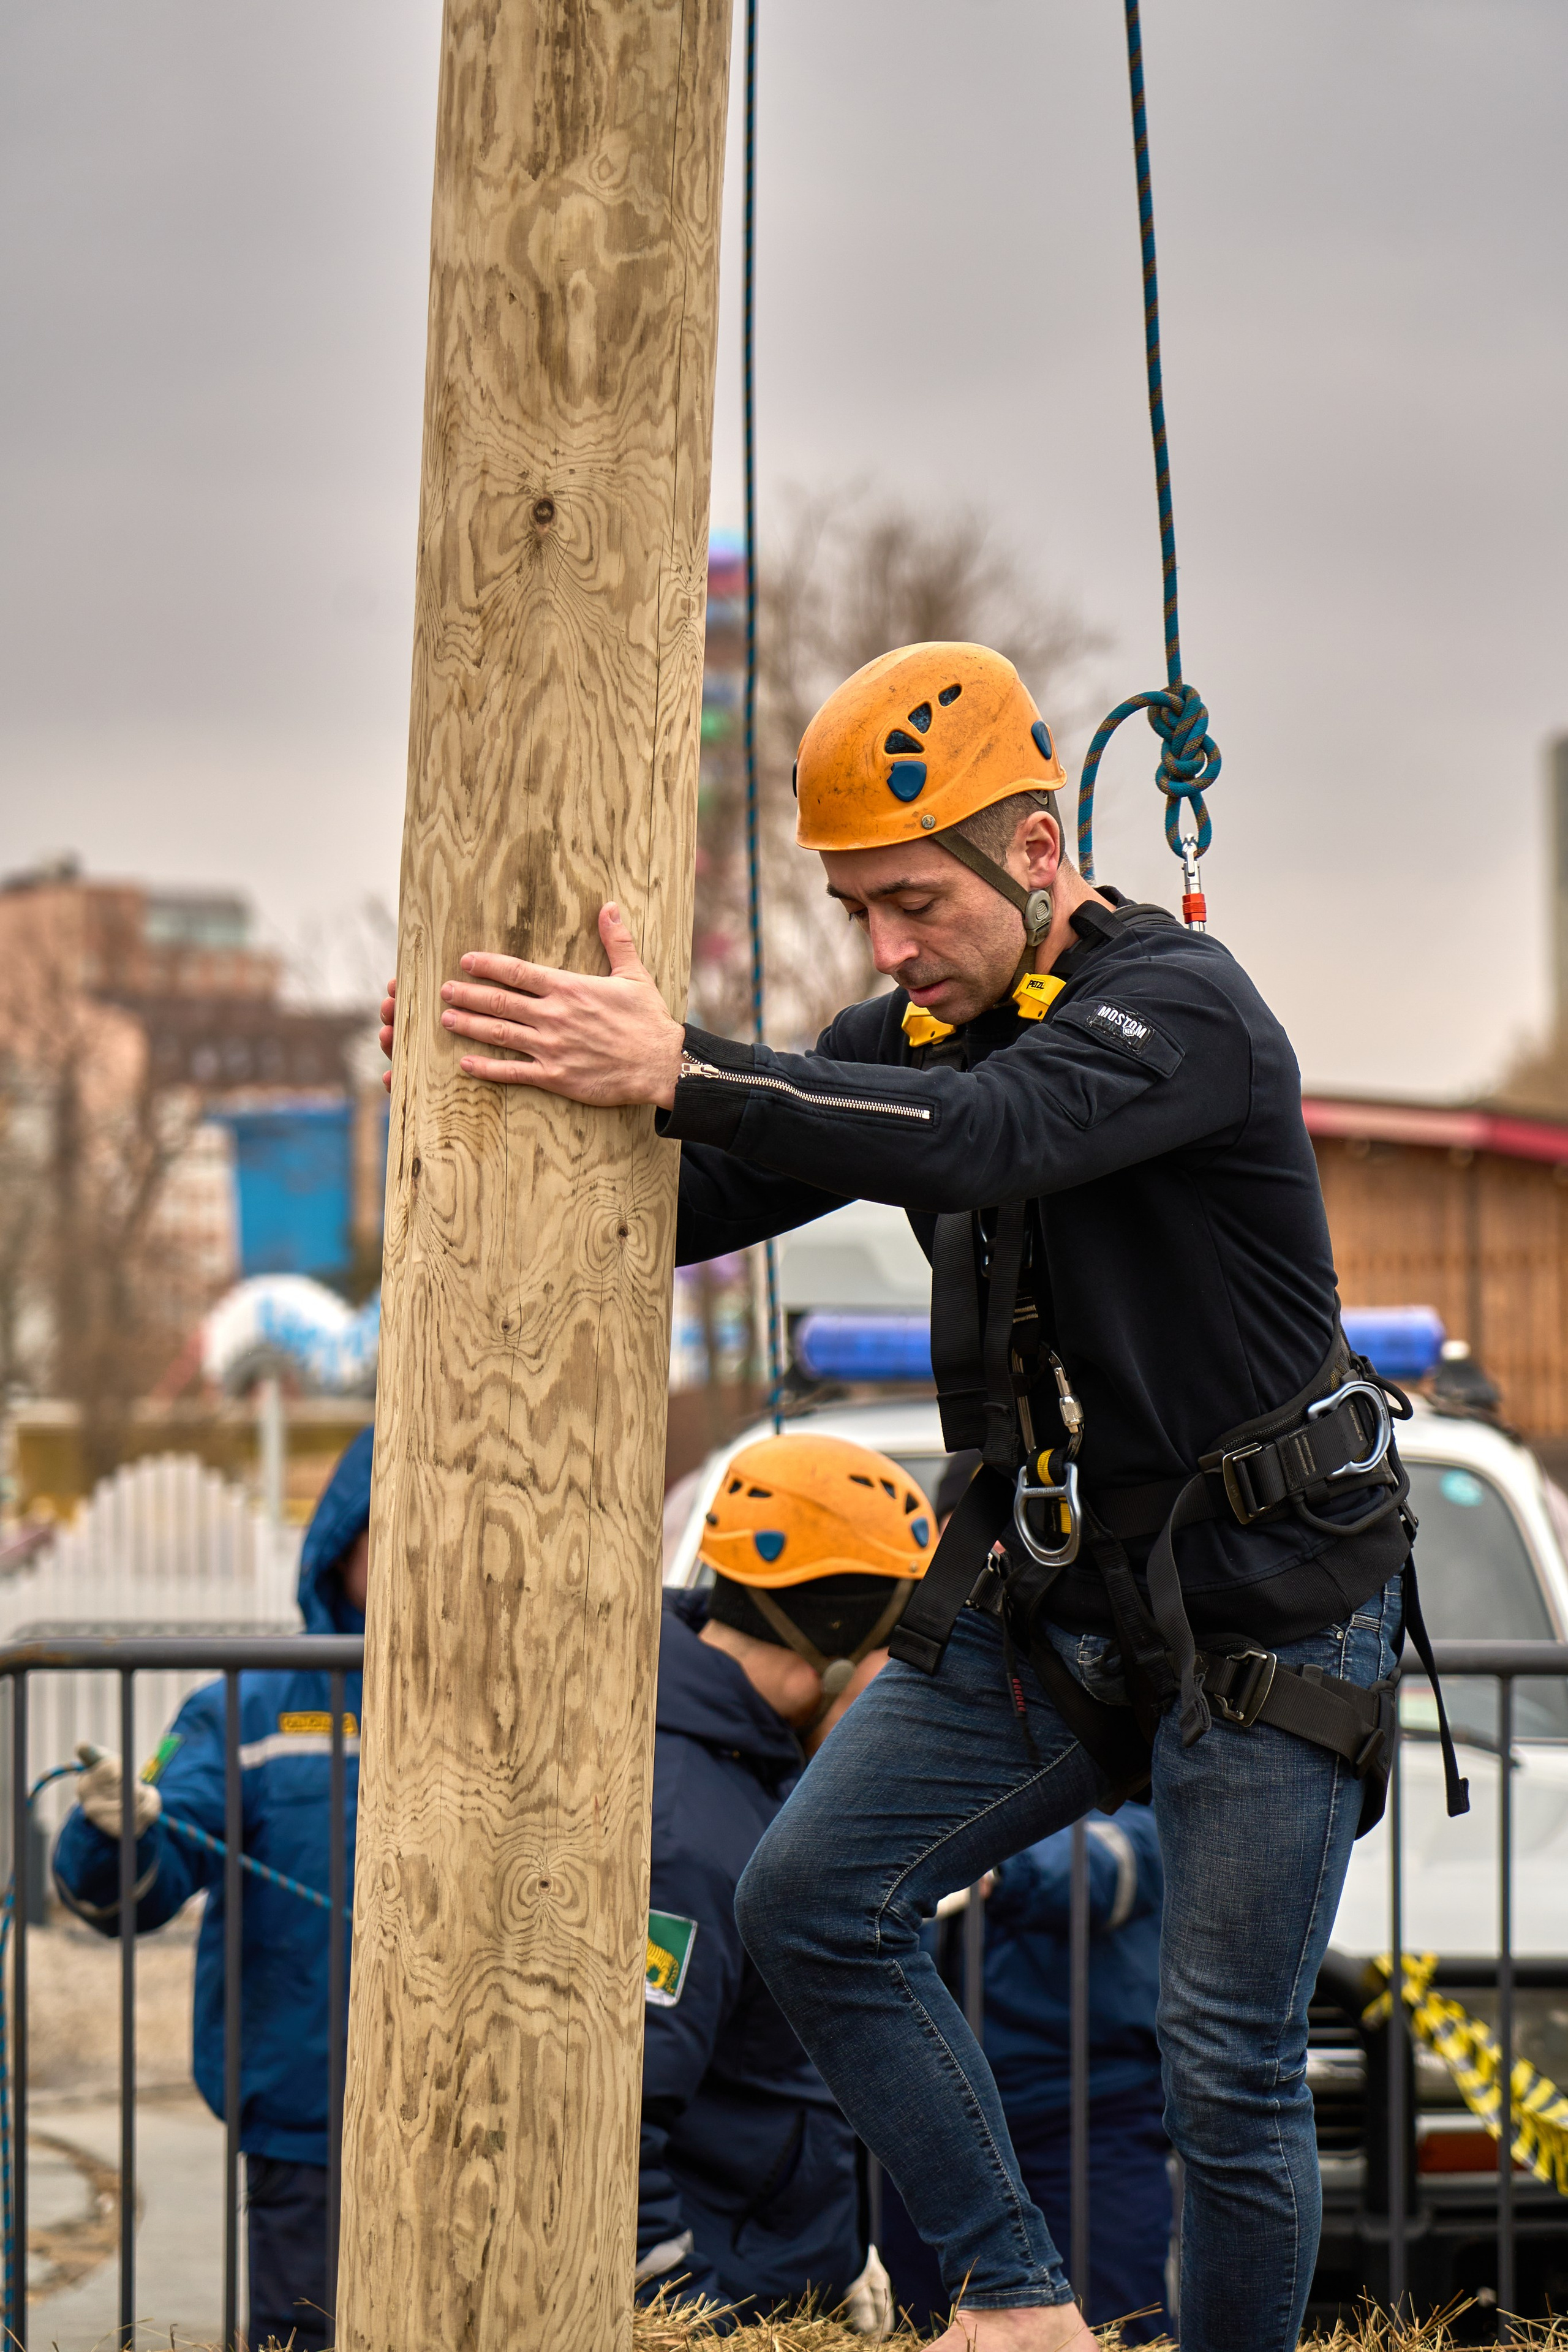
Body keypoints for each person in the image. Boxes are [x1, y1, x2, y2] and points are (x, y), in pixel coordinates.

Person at [380, 639, 1464, 2352]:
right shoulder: (924, 1024)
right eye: (857, 914)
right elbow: (716, 1176)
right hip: (1067, 1603)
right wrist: (496, 1090)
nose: (887, 952)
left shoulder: (1181, 1013)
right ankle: (1020, 2304)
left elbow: (973, 1140)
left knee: (1224, 2065)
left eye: (911, 903)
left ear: (1037, 854)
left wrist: (678, 1060)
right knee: (810, 1900)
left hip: (1270, 1610)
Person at [53, 1429, 369, 2352]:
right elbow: (142, 1886)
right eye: (393, 1532)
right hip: (309, 2123)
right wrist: (116, 1833)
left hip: (485, 2122)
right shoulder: (251, 1705)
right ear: (343, 1541)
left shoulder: (517, 1702)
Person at [639, 1429, 930, 2329]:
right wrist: (683, 2315)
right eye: (898, 1655)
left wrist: (834, 2254)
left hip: (775, 2279)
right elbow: (617, 2119)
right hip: (722, 2300)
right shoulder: (684, 1829)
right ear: (835, 1647)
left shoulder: (755, 1763)